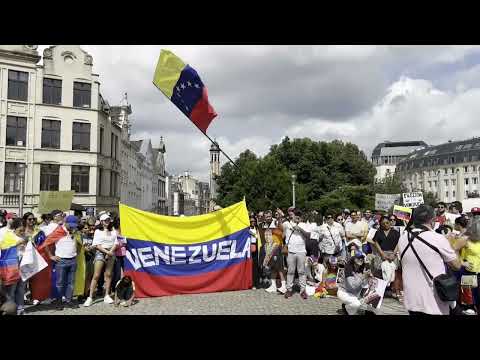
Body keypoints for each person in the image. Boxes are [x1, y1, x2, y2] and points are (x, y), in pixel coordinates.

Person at [398, 204, 462, 315]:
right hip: (434, 302)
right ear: (433, 220)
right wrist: (453, 244)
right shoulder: (438, 238)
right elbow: (457, 265)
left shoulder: (403, 238)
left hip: (412, 300)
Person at [43, 210, 79, 309]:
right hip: (61, 260)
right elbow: (46, 243)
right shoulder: (59, 231)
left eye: (74, 225)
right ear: (66, 222)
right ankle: (58, 302)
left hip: (73, 259)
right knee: (60, 283)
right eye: (70, 225)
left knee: (71, 282)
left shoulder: (75, 232)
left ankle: (69, 300)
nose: (72, 227)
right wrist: (51, 256)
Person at [83, 213, 118, 307]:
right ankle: (90, 297)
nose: (107, 221)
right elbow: (97, 245)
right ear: (102, 221)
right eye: (105, 220)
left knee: (109, 274)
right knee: (96, 275)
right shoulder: (98, 231)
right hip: (101, 253)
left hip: (111, 253)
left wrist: (110, 252)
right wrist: (107, 252)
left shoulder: (113, 230)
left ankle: (106, 295)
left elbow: (116, 242)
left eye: (108, 220)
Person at [452, 218, 480, 314]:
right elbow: (453, 250)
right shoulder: (465, 239)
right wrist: (462, 262)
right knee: (469, 305)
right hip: (468, 273)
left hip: (478, 273)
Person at [0, 218, 27, 315]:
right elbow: (3, 249)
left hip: (23, 267)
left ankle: (20, 309)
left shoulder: (26, 237)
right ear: (14, 229)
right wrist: (16, 244)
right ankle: (10, 310)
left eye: (24, 230)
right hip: (11, 268)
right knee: (11, 291)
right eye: (20, 230)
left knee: (21, 289)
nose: (22, 232)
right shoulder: (7, 236)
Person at [370, 215, 400, 298]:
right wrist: (382, 254)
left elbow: (398, 243)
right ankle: (379, 291)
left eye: (387, 222)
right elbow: (376, 242)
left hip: (392, 253)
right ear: (381, 224)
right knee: (380, 272)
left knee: (393, 272)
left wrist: (394, 254)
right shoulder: (378, 232)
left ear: (390, 223)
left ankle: (394, 291)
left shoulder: (395, 232)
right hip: (381, 253)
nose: (386, 224)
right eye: (383, 223)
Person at [284, 209, 310, 299]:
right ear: (293, 215)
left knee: (301, 272)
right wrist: (280, 216)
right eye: (296, 214)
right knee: (290, 271)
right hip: (291, 251)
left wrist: (300, 229)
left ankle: (303, 290)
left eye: (299, 214)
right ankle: (289, 290)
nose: (297, 216)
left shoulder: (304, 224)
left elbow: (308, 235)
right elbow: (279, 226)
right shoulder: (287, 223)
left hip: (301, 251)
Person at [337, 251, 371, 315]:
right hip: (344, 292)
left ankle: (346, 307)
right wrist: (364, 276)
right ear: (354, 259)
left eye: (362, 258)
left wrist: (368, 278)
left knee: (365, 304)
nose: (361, 259)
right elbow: (352, 286)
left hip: (354, 294)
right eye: (358, 258)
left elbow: (363, 285)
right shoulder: (348, 270)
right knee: (356, 304)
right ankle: (348, 309)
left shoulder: (361, 271)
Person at [248, 216, 261, 289]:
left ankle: (256, 283)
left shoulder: (258, 229)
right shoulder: (246, 229)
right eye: (251, 221)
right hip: (248, 249)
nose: (252, 222)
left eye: (254, 221)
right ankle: (250, 282)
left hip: (256, 249)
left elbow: (259, 238)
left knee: (255, 266)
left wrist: (253, 234)